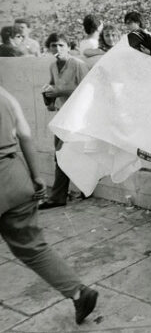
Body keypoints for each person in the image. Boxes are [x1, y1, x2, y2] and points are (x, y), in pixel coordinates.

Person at [0, 86, 98, 324]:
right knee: (33, 247)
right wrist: (36, 176)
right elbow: (24, 136)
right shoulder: (5, 95)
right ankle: (78, 292)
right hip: (14, 176)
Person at [39, 33, 89, 210]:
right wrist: (50, 100)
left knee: (62, 155)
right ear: (49, 48)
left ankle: (58, 197)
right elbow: (52, 85)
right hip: (62, 115)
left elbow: (87, 90)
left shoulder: (78, 64)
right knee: (62, 155)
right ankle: (82, 189)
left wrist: (59, 91)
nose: (57, 49)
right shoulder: (53, 65)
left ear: (68, 46)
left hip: (77, 117)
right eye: (54, 45)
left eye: (61, 45)